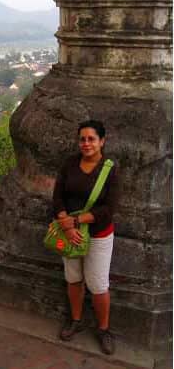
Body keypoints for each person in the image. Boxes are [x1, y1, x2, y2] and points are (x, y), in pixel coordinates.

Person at [53, 119, 121, 355]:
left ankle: (103, 329)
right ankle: (76, 319)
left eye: (91, 139)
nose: (86, 143)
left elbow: (109, 208)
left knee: (98, 284)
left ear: (102, 141)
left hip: (98, 235)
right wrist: (67, 225)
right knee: (73, 278)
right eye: (82, 139)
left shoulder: (109, 169)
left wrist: (77, 221)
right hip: (69, 232)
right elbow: (58, 196)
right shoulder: (69, 164)